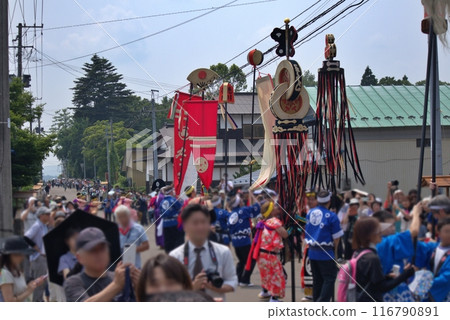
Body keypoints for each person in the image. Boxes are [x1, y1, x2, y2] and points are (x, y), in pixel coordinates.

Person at [170, 204, 237, 301]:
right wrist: (192, 287)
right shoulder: (175, 256)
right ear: (185, 226)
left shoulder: (223, 252)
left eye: (204, 222)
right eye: (195, 223)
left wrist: (214, 287)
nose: (200, 227)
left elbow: (232, 282)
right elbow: (170, 292)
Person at [64, 227, 140, 302]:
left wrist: (139, 289)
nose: (99, 254)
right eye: (92, 250)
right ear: (79, 258)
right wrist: (116, 285)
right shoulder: (73, 283)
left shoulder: (118, 278)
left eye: (102, 248)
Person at [352, 217, 415, 301]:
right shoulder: (372, 258)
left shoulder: (359, 253)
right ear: (369, 235)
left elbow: (372, 281)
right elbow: (382, 287)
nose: (380, 233)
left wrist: (387, 277)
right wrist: (405, 275)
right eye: (378, 231)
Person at [305, 190, 343, 302]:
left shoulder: (310, 213)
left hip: (312, 251)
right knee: (329, 278)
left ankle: (316, 300)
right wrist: (335, 251)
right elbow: (337, 237)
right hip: (326, 252)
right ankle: (322, 302)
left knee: (317, 280)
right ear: (329, 201)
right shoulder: (332, 216)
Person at [252, 201, 288, 302]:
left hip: (261, 253)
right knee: (277, 276)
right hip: (270, 254)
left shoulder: (263, 221)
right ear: (271, 212)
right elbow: (285, 234)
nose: (278, 207)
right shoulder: (274, 221)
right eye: (275, 207)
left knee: (266, 274)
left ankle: (265, 291)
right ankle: (274, 298)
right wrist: (291, 230)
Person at [226, 193, 261, 286]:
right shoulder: (243, 210)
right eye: (241, 201)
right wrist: (254, 197)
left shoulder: (232, 213)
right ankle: (245, 280)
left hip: (235, 241)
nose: (242, 201)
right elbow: (256, 208)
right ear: (239, 203)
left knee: (242, 261)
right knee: (251, 260)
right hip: (244, 241)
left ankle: (238, 279)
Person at [0, 236, 46, 302]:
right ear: (11, 255)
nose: (23, 257)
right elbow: (9, 301)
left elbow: (20, 292)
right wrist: (29, 291)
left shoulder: (16, 270)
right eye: (20, 254)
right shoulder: (5, 273)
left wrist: (33, 284)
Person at [24, 206, 51, 302]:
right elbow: (26, 237)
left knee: (42, 282)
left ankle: (39, 300)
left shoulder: (43, 225)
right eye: (47, 214)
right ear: (41, 215)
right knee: (40, 282)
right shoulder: (37, 225)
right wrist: (35, 247)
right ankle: (37, 301)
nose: (49, 216)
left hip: (42, 257)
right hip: (38, 257)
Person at [159, 186, 183, 253]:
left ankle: (168, 254)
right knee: (176, 240)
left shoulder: (162, 201)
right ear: (171, 192)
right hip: (174, 223)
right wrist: (180, 200)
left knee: (167, 240)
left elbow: (160, 212)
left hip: (165, 223)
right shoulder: (173, 200)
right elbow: (180, 208)